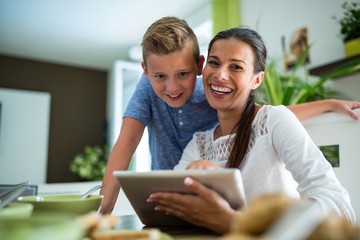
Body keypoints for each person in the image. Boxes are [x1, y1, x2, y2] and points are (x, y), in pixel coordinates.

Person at [99, 16, 360, 215]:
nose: (173, 87)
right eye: (216, 63)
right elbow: (126, 143)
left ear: (196, 67)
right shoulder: (199, 141)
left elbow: (266, 119)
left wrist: (328, 104)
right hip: (176, 196)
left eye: (235, 67)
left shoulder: (245, 108)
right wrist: (103, 211)